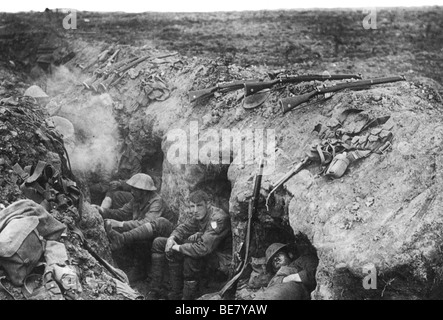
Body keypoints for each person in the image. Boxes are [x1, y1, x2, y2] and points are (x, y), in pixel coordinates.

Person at [147, 190, 232, 300]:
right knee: (159, 242)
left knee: (190, 255)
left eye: (199, 205)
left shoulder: (218, 218)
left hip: (222, 261)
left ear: (208, 204)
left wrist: (177, 247)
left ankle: (187, 298)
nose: (195, 210)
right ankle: (158, 291)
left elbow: (202, 249)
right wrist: (171, 239)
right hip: (207, 253)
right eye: (192, 206)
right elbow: (184, 228)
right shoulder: (199, 214)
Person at [93, 173, 174, 282]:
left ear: (144, 191)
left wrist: (121, 224)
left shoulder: (157, 202)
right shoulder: (136, 200)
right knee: (120, 231)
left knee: (136, 236)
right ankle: (128, 265)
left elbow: (147, 223)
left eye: (135, 189)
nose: (132, 191)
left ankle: (140, 270)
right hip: (146, 232)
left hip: (163, 235)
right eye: (132, 188)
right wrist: (102, 210)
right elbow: (121, 212)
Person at [253, 236, 319, 300]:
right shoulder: (274, 278)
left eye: (278, 255)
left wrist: (290, 278)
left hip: (294, 290)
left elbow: (316, 271)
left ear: (290, 254)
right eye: (273, 261)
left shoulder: (302, 260)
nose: (276, 259)